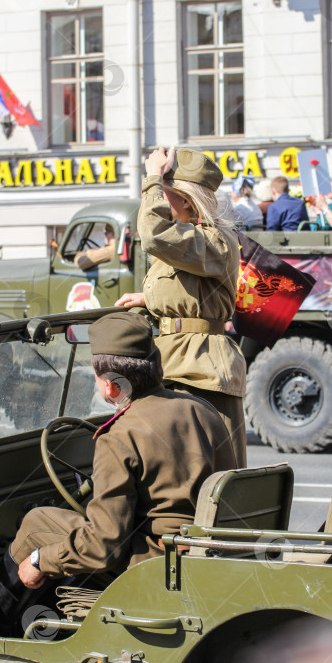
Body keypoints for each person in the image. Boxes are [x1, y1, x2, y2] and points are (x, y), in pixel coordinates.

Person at [0, 313, 236, 621]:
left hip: (154, 565)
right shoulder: (201, 409)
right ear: (157, 364)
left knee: (36, 523)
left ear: (110, 387)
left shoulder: (119, 436)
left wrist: (40, 561)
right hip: (202, 552)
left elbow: (102, 546)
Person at [115, 147, 247, 468]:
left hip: (200, 369)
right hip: (176, 362)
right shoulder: (192, 238)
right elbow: (196, 291)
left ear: (186, 200)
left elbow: (153, 235)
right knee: (172, 472)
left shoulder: (212, 239)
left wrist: (152, 180)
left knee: (208, 475)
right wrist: (150, 299)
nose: (160, 197)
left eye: (166, 193)